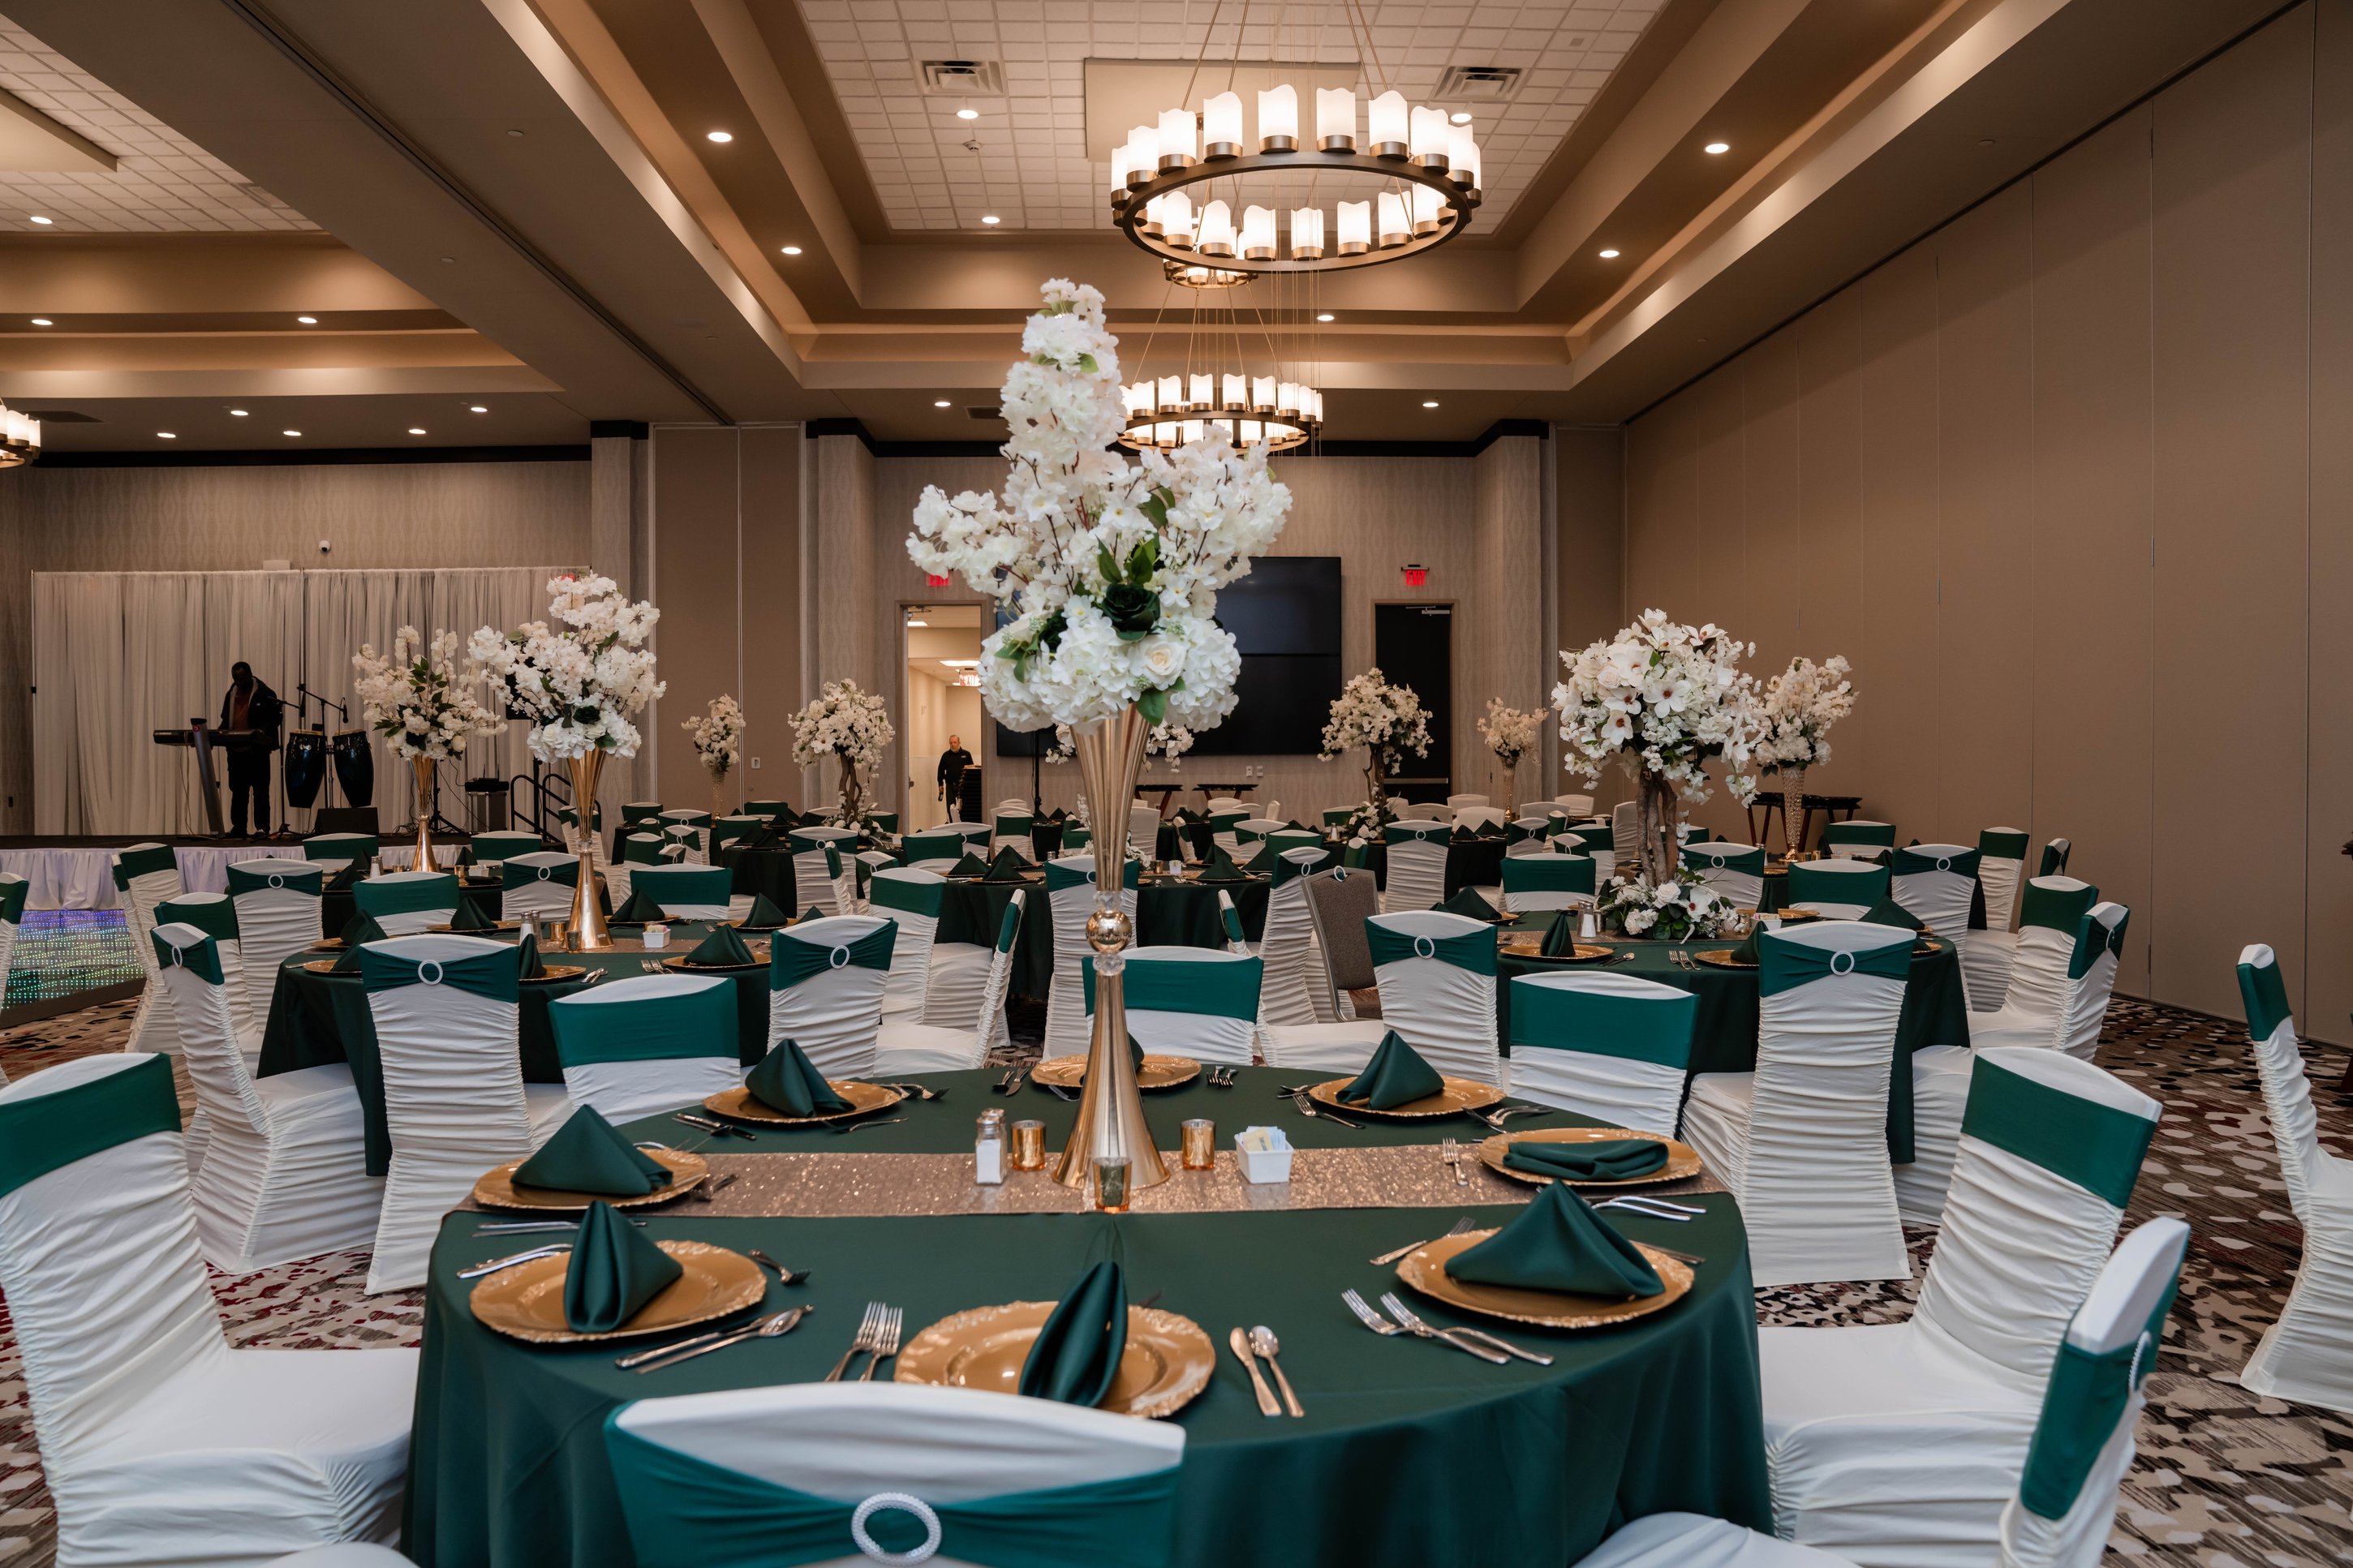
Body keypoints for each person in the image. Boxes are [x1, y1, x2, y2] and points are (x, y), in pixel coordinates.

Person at [217, 661, 283, 837]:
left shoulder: (265, 694)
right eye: (236, 679)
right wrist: (218, 734)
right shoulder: (231, 694)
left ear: (250, 675)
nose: (239, 682)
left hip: (257, 752)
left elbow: (275, 719)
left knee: (261, 791)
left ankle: (262, 827)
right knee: (238, 792)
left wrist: (261, 732)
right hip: (236, 752)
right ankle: (239, 827)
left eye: (242, 678)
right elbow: (225, 720)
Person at [936, 734, 973, 821]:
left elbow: (971, 769)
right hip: (950, 786)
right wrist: (940, 784)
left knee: (964, 808)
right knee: (950, 808)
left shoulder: (966, 754)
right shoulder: (946, 756)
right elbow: (940, 770)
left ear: (959, 743)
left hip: (963, 786)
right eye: (951, 743)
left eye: (955, 742)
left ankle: (963, 824)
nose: (953, 744)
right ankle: (953, 824)